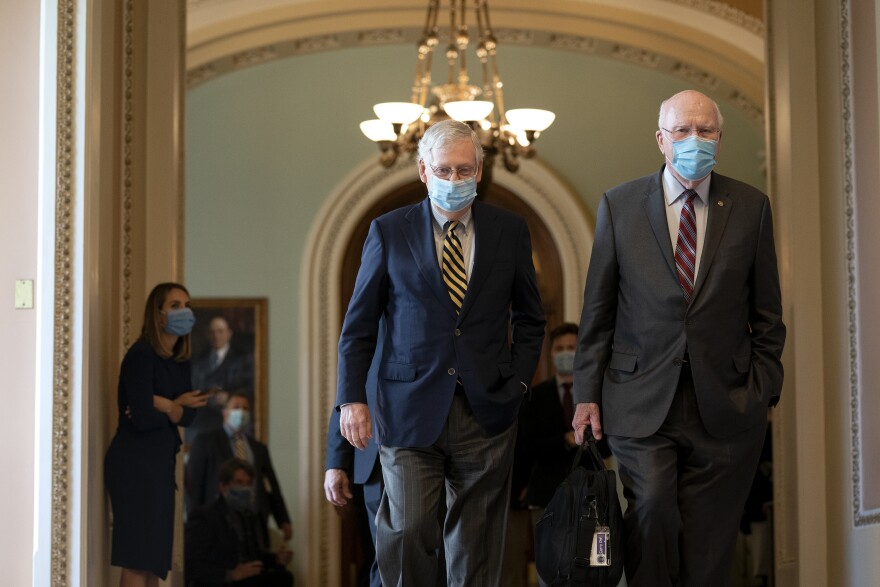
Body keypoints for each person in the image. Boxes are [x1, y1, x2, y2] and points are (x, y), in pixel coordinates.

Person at [571, 90, 786, 586]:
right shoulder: (619, 205)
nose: (694, 140)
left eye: (705, 130)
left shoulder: (751, 207)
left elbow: (768, 315)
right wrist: (586, 394)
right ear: (661, 140)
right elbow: (598, 311)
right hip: (639, 397)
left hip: (727, 402)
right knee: (652, 509)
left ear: (719, 137)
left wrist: (762, 389)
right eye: (683, 131)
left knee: (710, 542)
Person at [335, 119, 546, 585]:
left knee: (475, 546)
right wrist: (351, 399)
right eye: (445, 170)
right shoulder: (389, 231)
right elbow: (359, 325)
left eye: (465, 170)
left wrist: (519, 382)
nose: (455, 180)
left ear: (480, 170)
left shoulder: (509, 230)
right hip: (408, 410)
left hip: (486, 410)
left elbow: (531, 318)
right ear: (423, 170)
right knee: (408, 531)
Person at [104, 282, 209, 587]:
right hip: (134, 463)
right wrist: (176, 407)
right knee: (137, 559)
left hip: (160, 464)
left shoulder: (180, 360)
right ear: (158, 312)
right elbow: (142, 418)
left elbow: (189, 415)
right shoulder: (141, 355)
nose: (184, 311)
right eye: (175, 305)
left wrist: (169, 405)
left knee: (154, 563)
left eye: (186, 304)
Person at [504, 322, 606, 587]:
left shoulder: (597, 396)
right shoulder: (534, 397)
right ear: (550, 353)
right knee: (550, 569)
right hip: (545, 494)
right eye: (559, 348)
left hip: (590, 493)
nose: (565, 352)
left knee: (593, 566)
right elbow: (525, 445)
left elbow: (608, 445)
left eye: (571, 348)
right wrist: (563, 440)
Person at [186, 392, 292, 545]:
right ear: (225, 413)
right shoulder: (206, 442)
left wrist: (283, 519)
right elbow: (193, 486)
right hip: (218, 524)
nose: (241, 412)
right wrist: (195, 521)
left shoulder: (258, 448)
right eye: (236, 407)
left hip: (254, 524)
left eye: (245, 408)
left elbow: (271, 486)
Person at [185, 458, 294, 587]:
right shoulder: (206, 516)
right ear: (223, 486)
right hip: (222, 581)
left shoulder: (249, 516)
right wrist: (231, 574)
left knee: (284, 577)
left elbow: (254, 556)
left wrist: (276, 559)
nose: (245, 488)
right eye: (239, 483)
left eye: (248, 484)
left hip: (248, 579)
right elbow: (192, 565)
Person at [188, 315, 255, 441]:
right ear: (207, 335)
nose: (216, 336)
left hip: (231, 418)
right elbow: (192, 386)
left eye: (220, 331)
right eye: (212, 332)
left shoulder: (242, 359)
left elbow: (249, 387)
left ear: (229, 333)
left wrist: (229, 397)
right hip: (203, 418)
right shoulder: (198, 359)